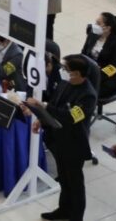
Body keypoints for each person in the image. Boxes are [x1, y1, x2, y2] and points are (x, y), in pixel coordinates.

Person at [22, 55, 96, 221]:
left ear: (77, 73)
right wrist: (41, 120)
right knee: (63, 179)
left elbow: (71, 117)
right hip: (58, 139)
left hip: (74, 144)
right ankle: (64, 210)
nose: (62, 72)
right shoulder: (65, 84)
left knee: (75, 184)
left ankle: (76, 217)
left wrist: (44, 106)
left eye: (67, 70)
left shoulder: (88, 96)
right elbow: (55, 104)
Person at [81, 12, 116, 97]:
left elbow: (113, 68)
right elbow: (83, 53)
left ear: (107, 28)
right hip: (89, 70)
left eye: (98, 23)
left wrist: (96, 75)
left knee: (83, 92)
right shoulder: (92, 34)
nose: (95, 25)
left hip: (106, 79)